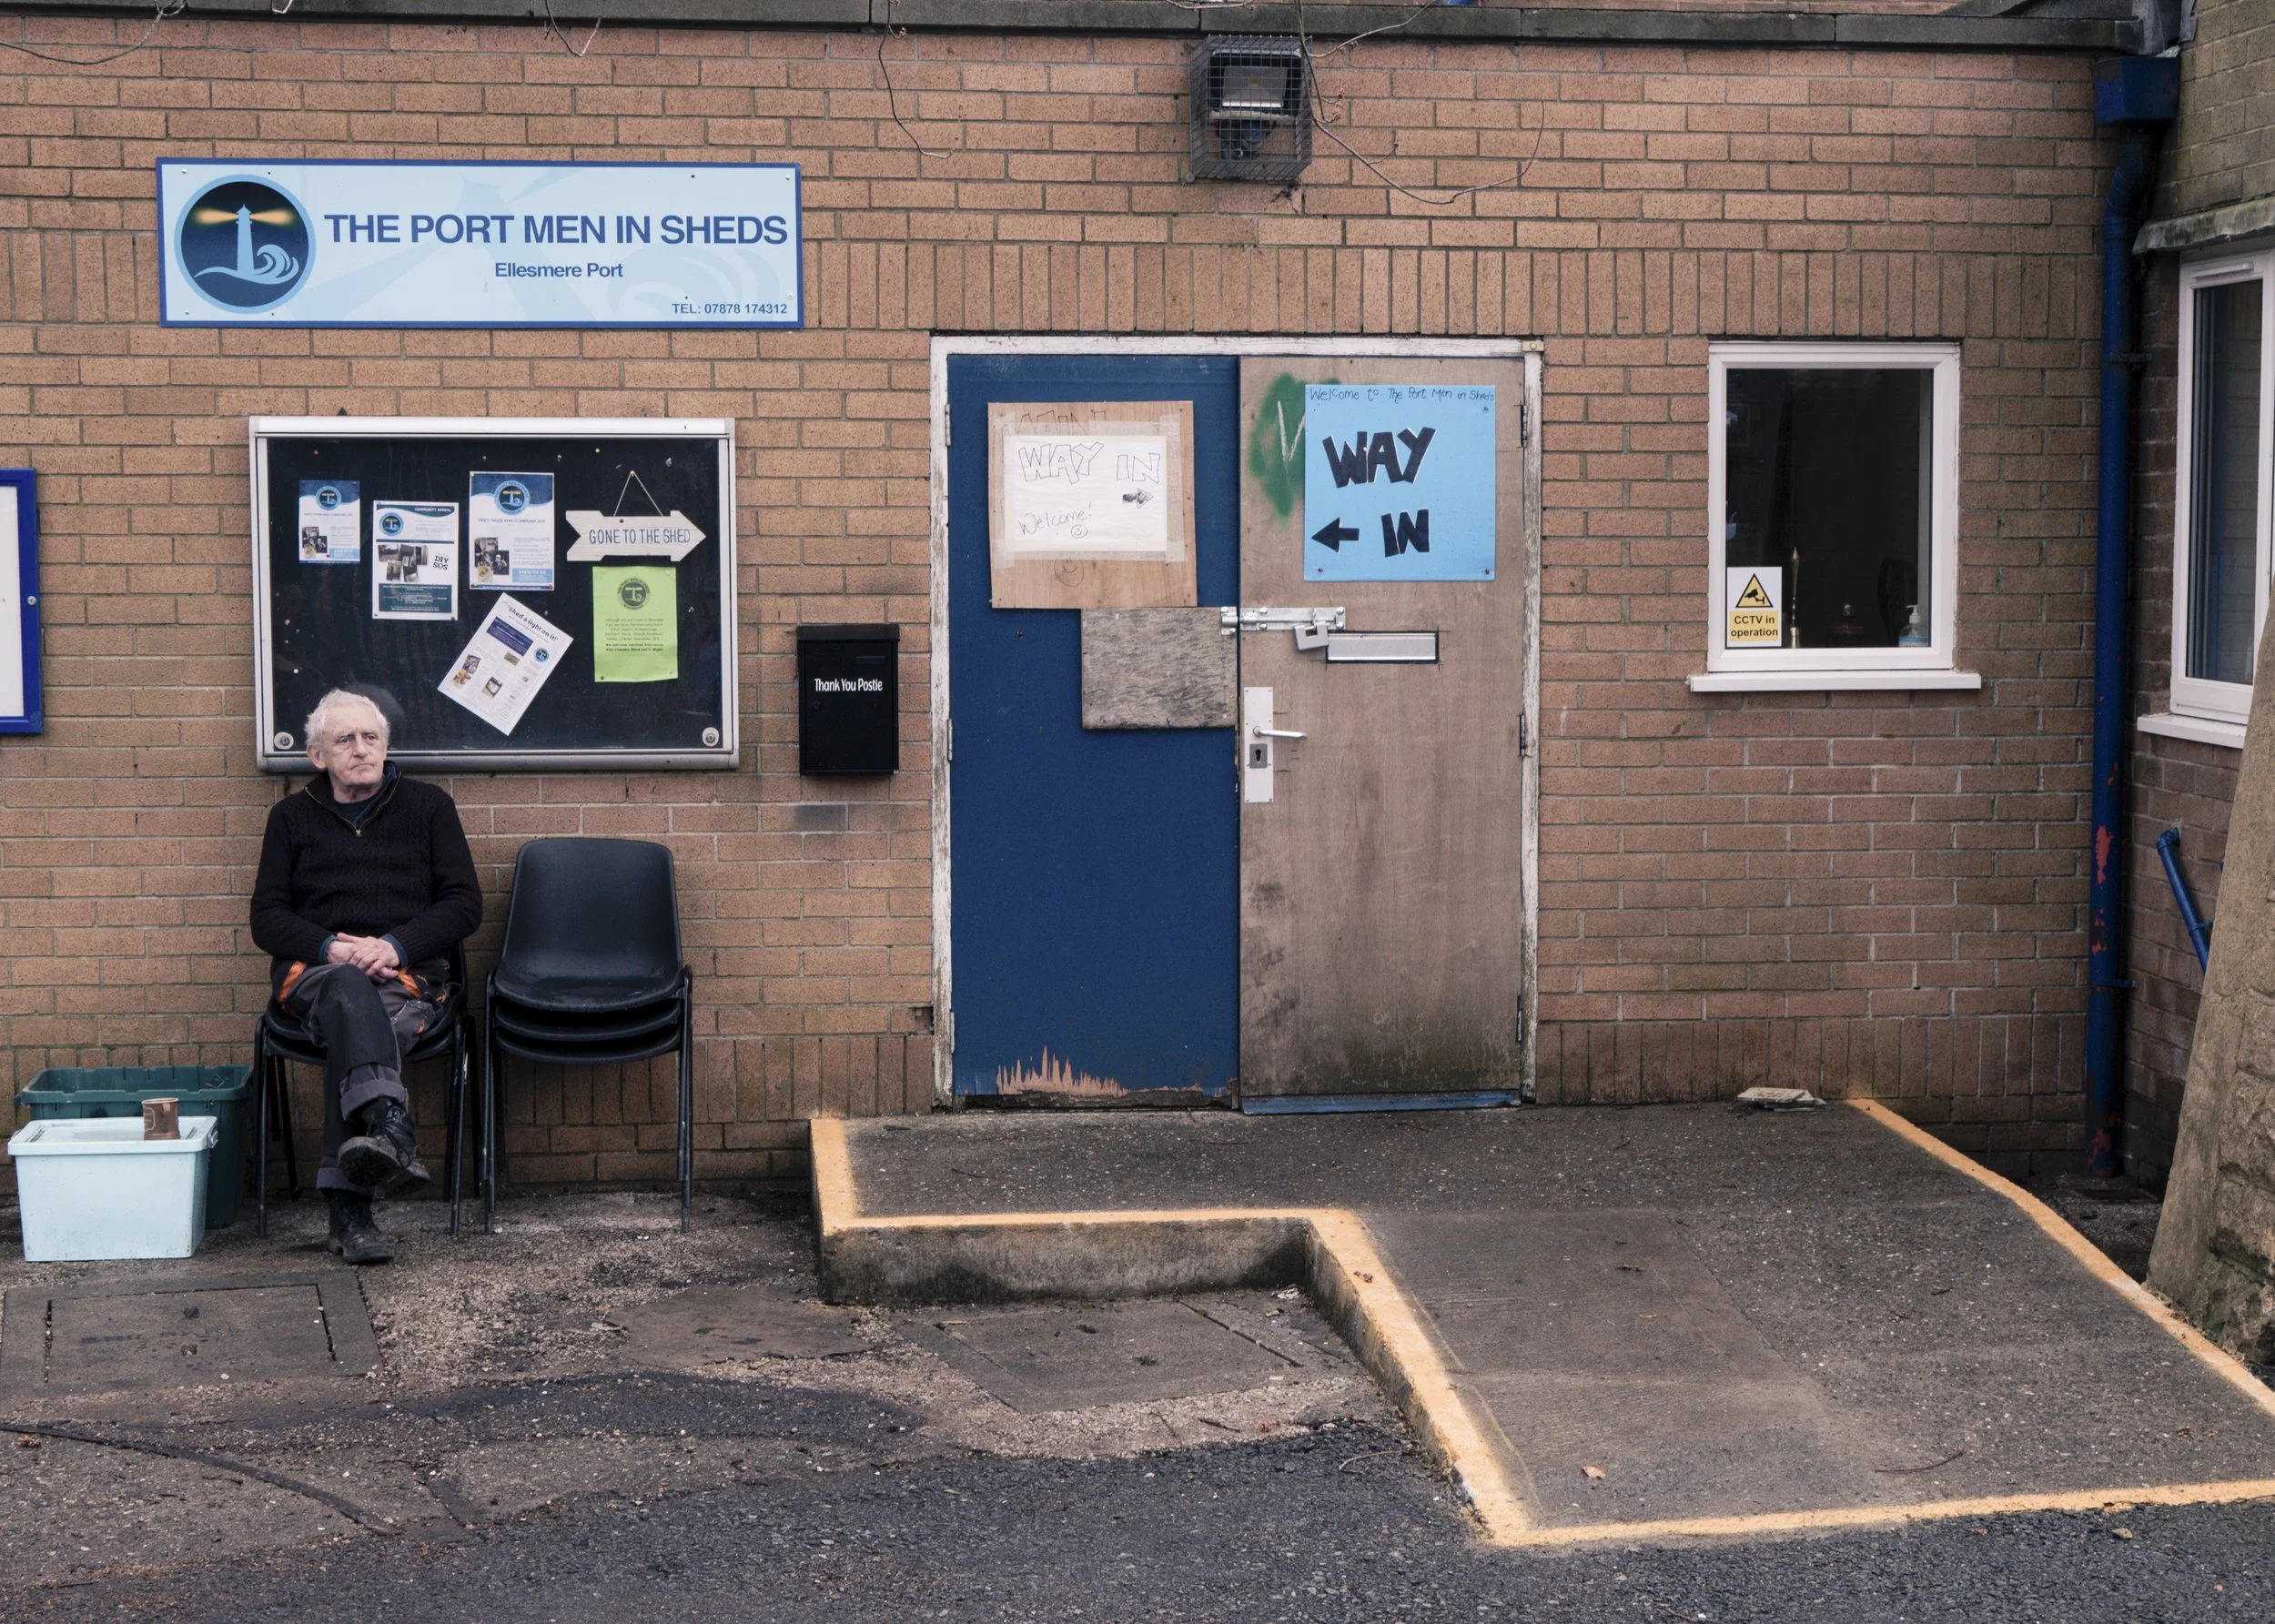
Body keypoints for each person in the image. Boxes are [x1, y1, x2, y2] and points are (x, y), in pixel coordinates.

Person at [250, 690, 482, 1264]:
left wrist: (392, 946)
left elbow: (463, 905)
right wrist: (332, 948)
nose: (361, 750)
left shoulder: (429, 808)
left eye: (371, 738)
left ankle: (351, 1211)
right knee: (349, 994)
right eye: (345, 740)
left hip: (406, 977)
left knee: (356, 1025)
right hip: (314, 974)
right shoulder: (289, 819)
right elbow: (267, 919)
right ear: (316, 755)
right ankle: (388, 1122)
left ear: (386, 745)